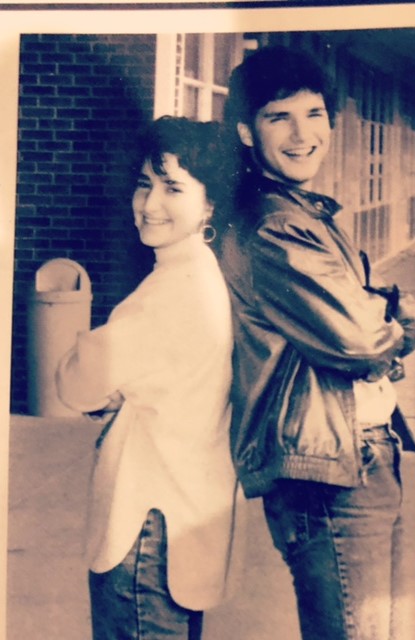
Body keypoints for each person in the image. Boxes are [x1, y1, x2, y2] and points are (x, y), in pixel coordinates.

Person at [220, 45, 415, 640]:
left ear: (332, 123)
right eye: (277, 116)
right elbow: (361, 337)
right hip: (330, 475)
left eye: (313, 113)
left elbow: (361, 312)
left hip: (357, 454)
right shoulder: (275, 224)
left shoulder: (304, 212)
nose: (301, 133)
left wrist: (377, 310)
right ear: (246, 130)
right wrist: (400, 319)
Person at [56, 116, 242, 640]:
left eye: (173, 187)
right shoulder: (203, 271)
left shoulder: (171, 290)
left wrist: (101, 381)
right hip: (181, 520)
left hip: (145, 526)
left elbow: (74, 383)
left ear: (210, 205)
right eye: (145, 183)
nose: (150, 203)